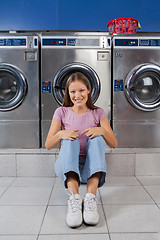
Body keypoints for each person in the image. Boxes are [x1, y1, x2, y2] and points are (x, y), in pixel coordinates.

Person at [45, 72, 118, 228]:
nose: (77, 95)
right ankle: (74, 199)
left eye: (81, 90)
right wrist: (60, 133)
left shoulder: (98, 113)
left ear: (89, 90)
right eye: (73, 91)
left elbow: (114, 144)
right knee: (70, 139)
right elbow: (48, 145)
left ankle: (91, 197)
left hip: (90, 169)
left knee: (98, 138)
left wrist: (103, 131)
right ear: (68, 93)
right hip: (67, 167)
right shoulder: (61, 112)